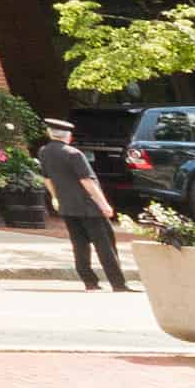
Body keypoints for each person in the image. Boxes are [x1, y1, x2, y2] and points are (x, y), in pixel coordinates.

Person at [34, 116, 127, 293]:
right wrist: (104, 204)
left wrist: (55, 198)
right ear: (67, 135)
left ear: (50, 133)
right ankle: (118, 283)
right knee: (105, 245)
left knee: (80, 245)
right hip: (89, 207)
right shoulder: (74, 154)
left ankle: (90, 282)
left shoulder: (44, 152)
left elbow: (47, 179)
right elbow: (87, 181)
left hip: (67, 206)